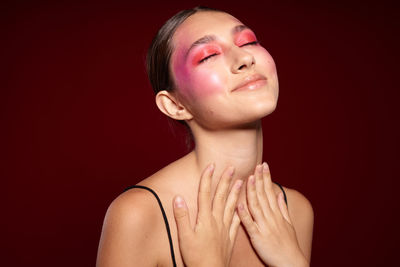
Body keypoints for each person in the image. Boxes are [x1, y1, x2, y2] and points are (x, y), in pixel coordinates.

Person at [96, 6, 314, 267]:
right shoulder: (138, 214)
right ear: (175, 105)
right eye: (208, 55)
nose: (244, 58)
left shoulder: (295, 211)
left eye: (249, 41)